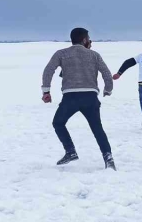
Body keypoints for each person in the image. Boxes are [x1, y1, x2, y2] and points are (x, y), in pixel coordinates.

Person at [41, 27, 116, 170]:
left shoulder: (61, 53)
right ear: (84, 40)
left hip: (70, 97)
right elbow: (106, 74)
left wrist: (46, 91)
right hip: (90, 97)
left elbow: (48, 70)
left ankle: (70, 151)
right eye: (88, 38)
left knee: (58, 123)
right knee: (97, 128)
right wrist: (108, 90)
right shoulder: (94, 55)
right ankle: (108, 158)